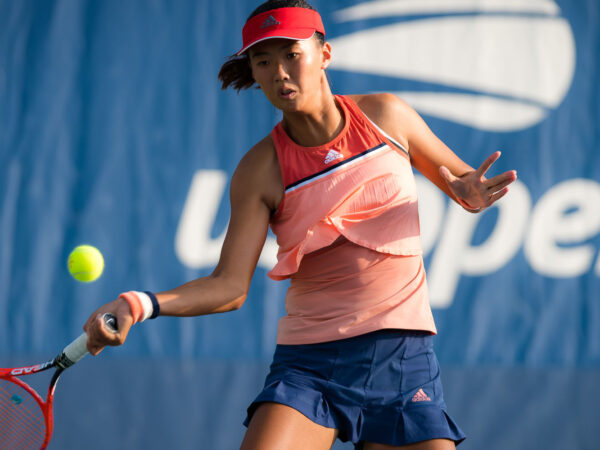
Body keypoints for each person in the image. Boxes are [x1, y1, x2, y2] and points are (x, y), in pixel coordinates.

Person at [84, 1, 517, 449]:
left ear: (324, 53)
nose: (279, 73)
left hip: (404, 360)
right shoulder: (260, 170)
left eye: (292, 54)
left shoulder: (387, 117)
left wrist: (470, 193)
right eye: (263, 61)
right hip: (311, 366)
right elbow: (230, 286)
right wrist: (138, 303)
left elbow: (463, 181)